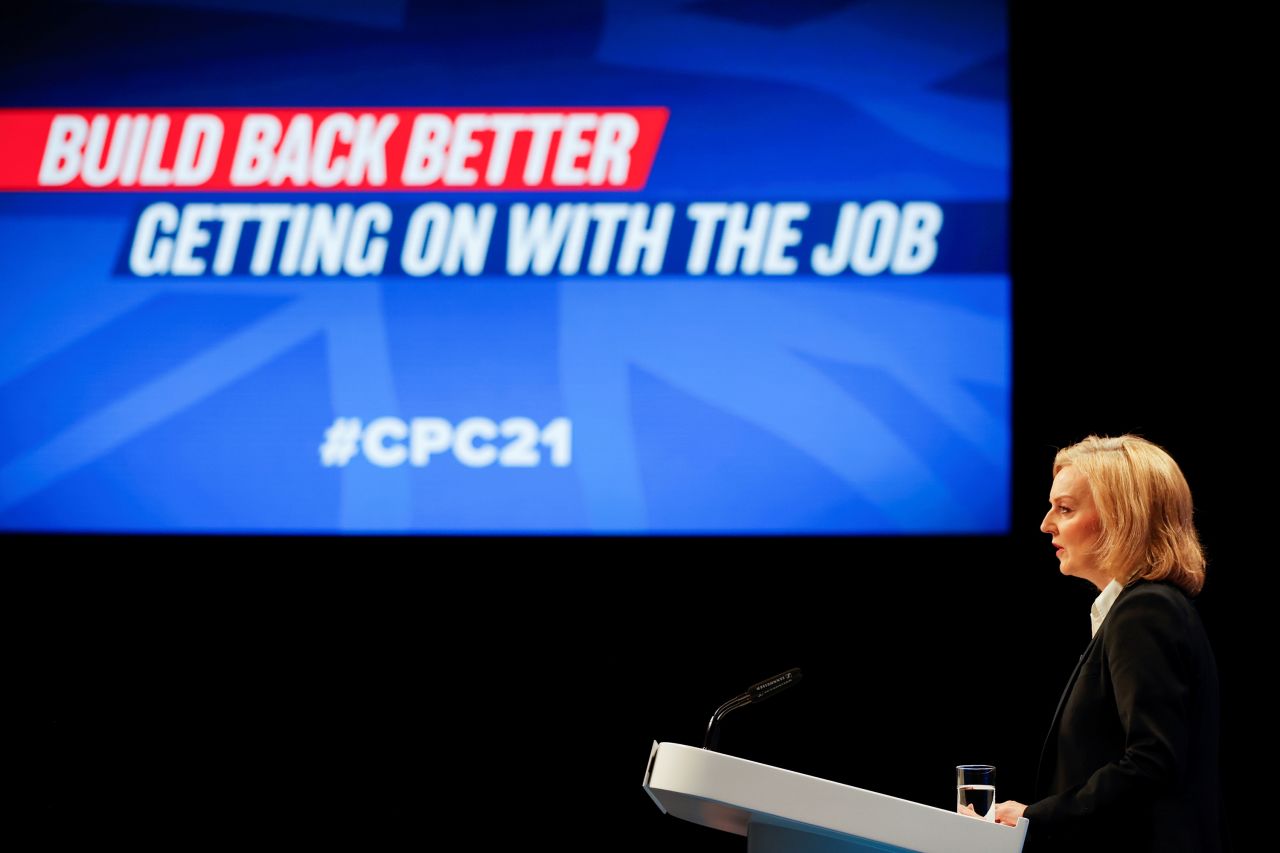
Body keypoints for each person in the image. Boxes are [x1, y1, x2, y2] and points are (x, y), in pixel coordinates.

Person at [991, 435, 1224, 852]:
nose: (1046, 523)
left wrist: (1034, 816)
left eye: (1065, 508)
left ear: (1122, 516)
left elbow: (1152, 764)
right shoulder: (1139, 609)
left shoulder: (1146, 610)